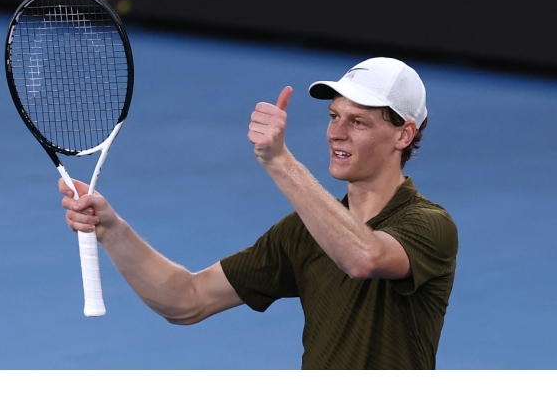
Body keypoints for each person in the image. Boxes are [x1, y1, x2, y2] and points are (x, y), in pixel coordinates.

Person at [59, 57, 459, 370]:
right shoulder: (304, 233)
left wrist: (280, 161)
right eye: (334, 116)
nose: (337, 133)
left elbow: (363, 257)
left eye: (359, 122)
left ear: (403, 134)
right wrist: (110, 228)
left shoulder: (430, 225)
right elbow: (186, 299)